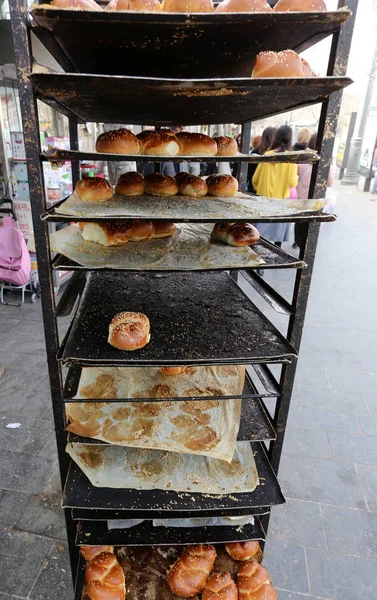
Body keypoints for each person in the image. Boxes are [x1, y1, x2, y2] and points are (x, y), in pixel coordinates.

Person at [252, 125, 298, 246]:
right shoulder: (291, 158)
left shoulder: (267, 154)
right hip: (281, 202)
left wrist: (261, 188)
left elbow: (255, 179)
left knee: (259, 235)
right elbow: (292, 182)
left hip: (263, 200)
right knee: (278, 236)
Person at [293, 132, 333, 249]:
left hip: (301, 198)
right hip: (316, 200)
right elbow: (329, 182)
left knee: (299, 221)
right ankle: (306, 244)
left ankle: (298, 241)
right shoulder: (325, 163)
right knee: (311, 224)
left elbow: (294, 174)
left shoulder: (303, 158)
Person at [247, 126, 277, 192]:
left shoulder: (254, 152)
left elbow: (248, 174)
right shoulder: (278, 155)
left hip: (253, 190)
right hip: (272, 192)